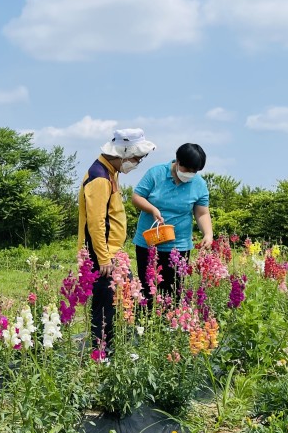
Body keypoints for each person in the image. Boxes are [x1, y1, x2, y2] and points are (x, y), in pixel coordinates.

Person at [79, 128, 157, 351]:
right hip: (101, 254)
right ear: (122, 152)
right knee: (105, 305)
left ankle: (110, 348)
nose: (136, 163)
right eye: (135, 158)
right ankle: (102, 353)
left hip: (111, 252)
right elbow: (96, 222)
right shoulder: (99, 178)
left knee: (118, 300)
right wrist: (103, 258)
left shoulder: (110, 172)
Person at [131, 142, 213, 307]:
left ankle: (169, 326)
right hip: (148, 242)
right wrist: (152, 209)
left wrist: (208, 234)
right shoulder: (157, 173)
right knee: (147, 288)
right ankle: (144, 328)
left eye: (194, 171)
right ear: (177, 161)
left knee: (173, 290)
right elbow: (137, 197)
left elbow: (202, 212)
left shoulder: (199, 184)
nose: (190, 174)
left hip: (179, 245)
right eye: (187, 169)